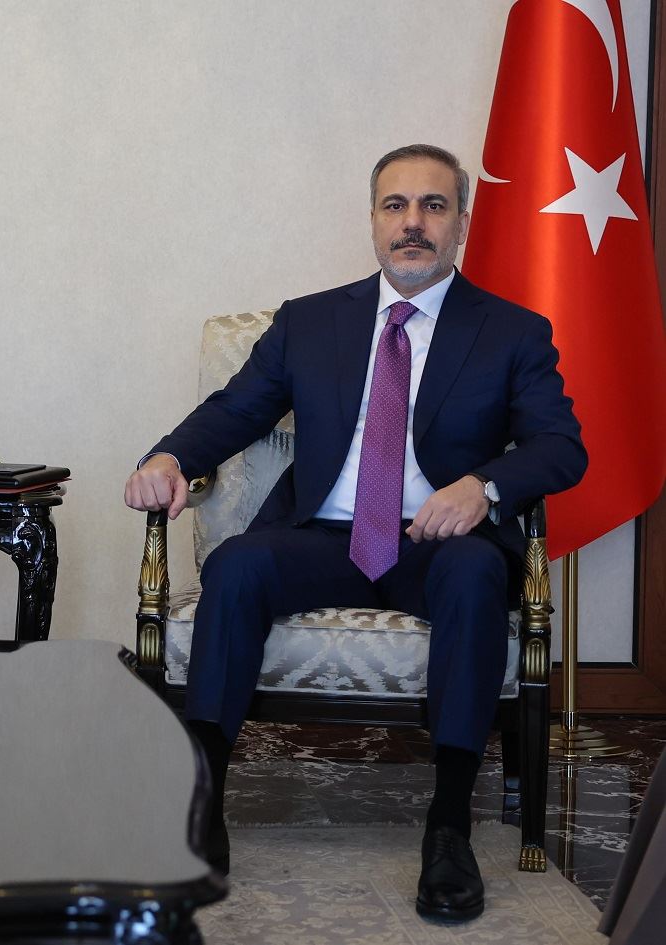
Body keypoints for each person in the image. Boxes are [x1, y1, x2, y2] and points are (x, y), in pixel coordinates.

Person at [124, 144, 586, 922]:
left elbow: (561, 446)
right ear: (372, 218)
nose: (413, 223)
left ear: (462, 223)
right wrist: (169, 457)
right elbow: (237, 409)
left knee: (475, 575)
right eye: (395, 205)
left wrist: (482, 486)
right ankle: (204, 800)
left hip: (437, 544)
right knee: (236, 565)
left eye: (433, 205)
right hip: (325, 535)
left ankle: (449, 824)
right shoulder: (310, 321)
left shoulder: (511, 331)